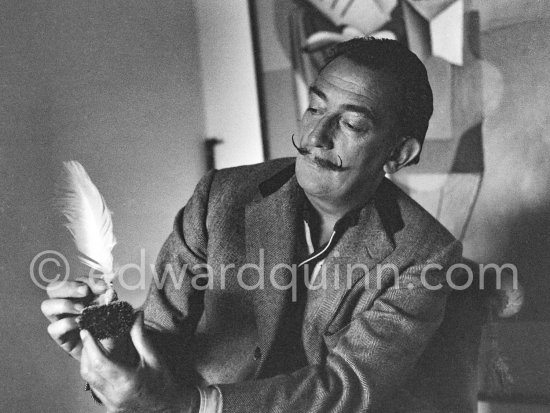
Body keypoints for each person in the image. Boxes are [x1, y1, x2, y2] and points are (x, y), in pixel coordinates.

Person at [42, 38, 462, 412]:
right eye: (315, 107)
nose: (316, 135)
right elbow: (159, 338)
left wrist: (193, 405)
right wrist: (112, 346)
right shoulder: (218, 197)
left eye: (351, 124)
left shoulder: (426, 254)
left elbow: (349, 388)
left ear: (399, 153)